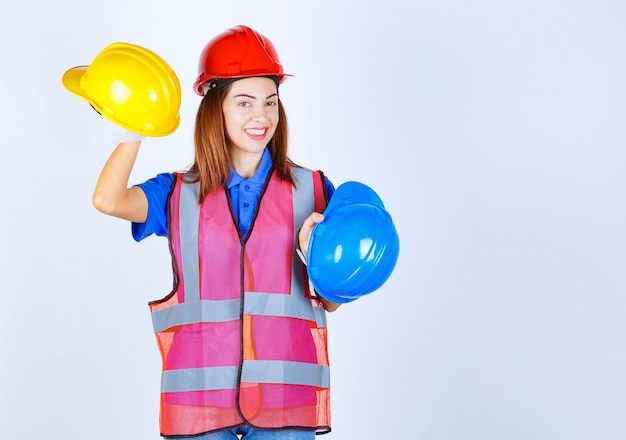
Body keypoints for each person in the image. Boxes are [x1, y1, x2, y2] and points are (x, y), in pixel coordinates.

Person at [92, 25, 340, 439]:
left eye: (270, 102)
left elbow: (331, 302)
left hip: (286, 392)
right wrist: (135, 126)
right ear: (215, 108)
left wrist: (317, 256)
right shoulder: (175, 193)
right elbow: (109, 200)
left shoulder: (313, 190)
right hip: (199, 395)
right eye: (244, 103)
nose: (261, 117)